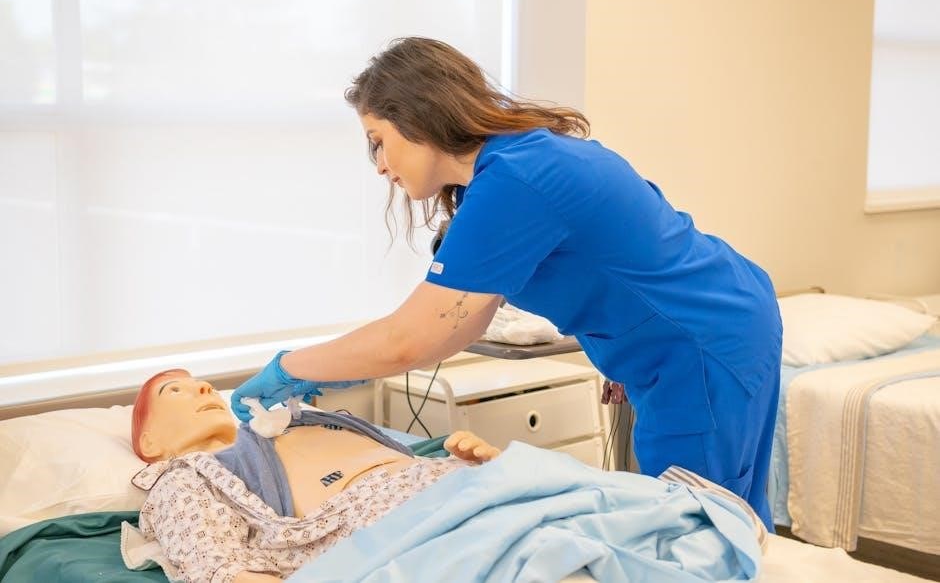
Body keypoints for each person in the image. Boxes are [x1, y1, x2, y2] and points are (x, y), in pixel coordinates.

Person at [231, 36, 783, 530]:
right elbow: (456, 330)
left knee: (701, 529)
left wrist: (291, 368)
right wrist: (620, 352)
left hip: (699, 342)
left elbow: (411, 338)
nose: (377, 164)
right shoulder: (511, 167)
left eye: (377, 140)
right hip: (712, 317)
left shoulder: (517, 180)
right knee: (722, 512)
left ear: (417, 117)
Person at [129, 368, 498, 583]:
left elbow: (408, 463)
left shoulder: (308, 421)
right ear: (150, 441)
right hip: (417, 534)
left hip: (479, 490)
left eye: (202, 384)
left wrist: (480, 463)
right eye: (174, 391)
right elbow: (221, 569)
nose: (203, 388)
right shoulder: (185, 478)